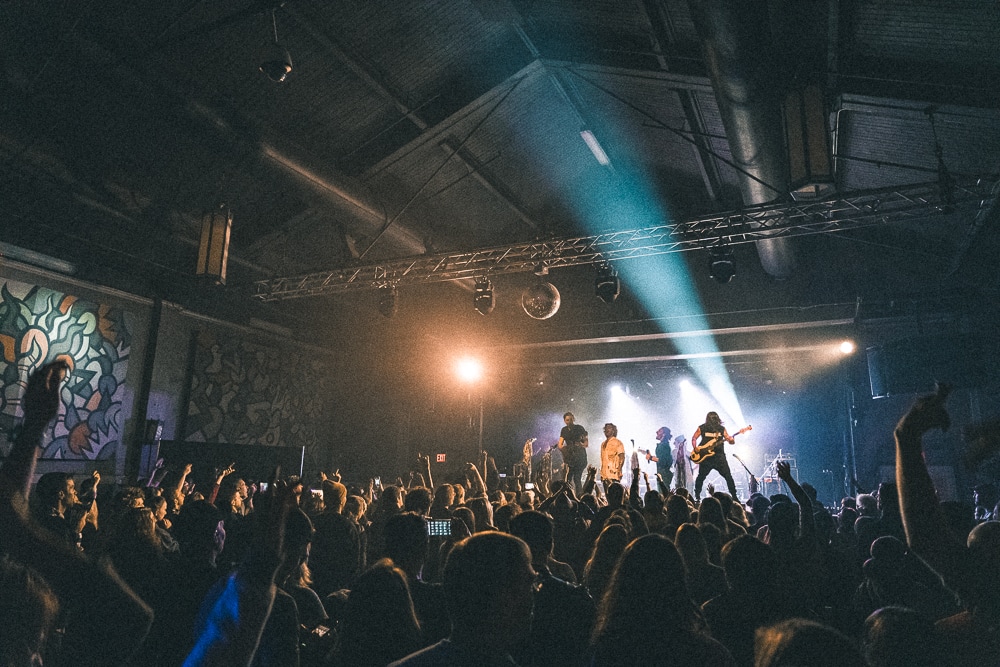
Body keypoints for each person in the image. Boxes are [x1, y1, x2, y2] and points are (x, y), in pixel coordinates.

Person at [692, 411, 740, 501]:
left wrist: (731, 440)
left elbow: (731, 442)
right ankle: (697, 495)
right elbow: (694, 438)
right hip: (706, 457)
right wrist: (695, 447)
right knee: (701, 476)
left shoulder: (722, 429)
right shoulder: (702, 428)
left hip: (719, 456)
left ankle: (734, 496)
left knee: (728, 476)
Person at [556, 412, 588, 495]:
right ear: (564, 421)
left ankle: (579, 497)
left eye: (570, 419)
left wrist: (579, 444)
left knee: (577, 479)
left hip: (580, 456)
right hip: (570, 457)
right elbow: (560, 444)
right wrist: (564, 450)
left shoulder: (580, 428)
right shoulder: (564, 430)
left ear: (573, 419)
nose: (569, 422)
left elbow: (586, 443)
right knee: (568, 479)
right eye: (567, 420)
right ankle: (568, 497)